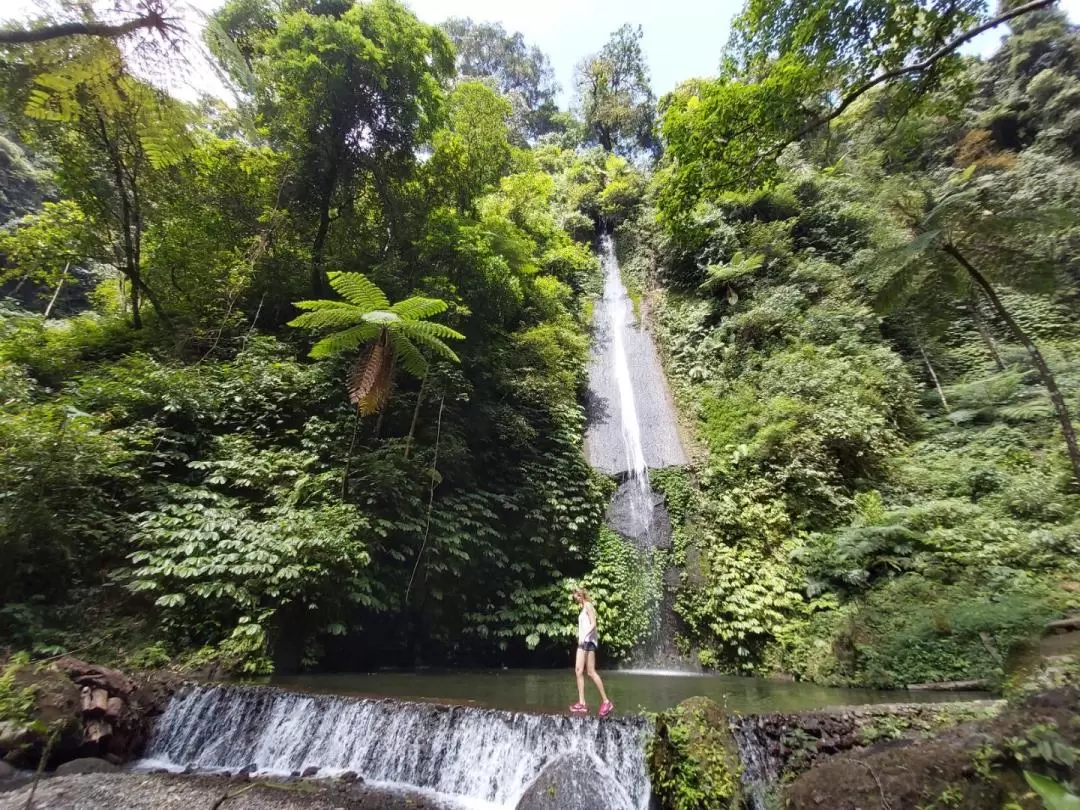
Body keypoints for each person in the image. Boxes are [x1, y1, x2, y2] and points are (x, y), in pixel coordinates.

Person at [570, 588, 614, 716]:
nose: (575, 599)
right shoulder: (582, 608)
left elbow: (593, 624)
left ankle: (606, 701)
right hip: (582, 643)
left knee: (590, 672)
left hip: (588, 642)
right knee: (578, 670)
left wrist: (584, 636)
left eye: (576, 597)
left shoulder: (588, 605)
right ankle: (582, 703)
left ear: (581, 595)